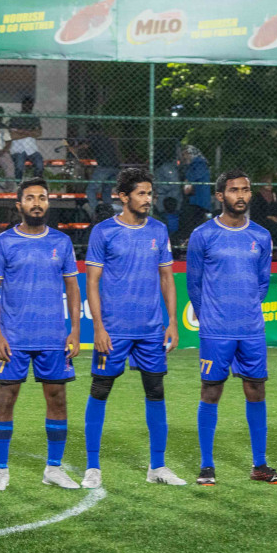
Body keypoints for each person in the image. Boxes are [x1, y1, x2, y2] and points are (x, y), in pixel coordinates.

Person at [80, 166, 180, 490]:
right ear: (123, 197)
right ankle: (92, 467)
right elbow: (91, 282)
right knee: (100, 390)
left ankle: (158, 466)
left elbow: (167, 277)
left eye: (150, 193)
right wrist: (98, 327)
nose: (148, 199)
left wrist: (172, 322)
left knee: (155, 391)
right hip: (114, 329)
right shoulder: (103, 232)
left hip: (151, 330)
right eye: (141, 193)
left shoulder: (159, 231)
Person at [0, 178, 84, 490]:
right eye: (30, 198)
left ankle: (53, 468)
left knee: (57, 398)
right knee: (6, 398)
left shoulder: (62, 242)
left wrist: (75, 331)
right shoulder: (3, 242)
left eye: (42, 197)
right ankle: (1, 470)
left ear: (48, 203)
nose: (36, 203)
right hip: (14, 338)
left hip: (53, 337)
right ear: (19, 205)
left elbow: (72, 286)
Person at [186, 171, 277, 485]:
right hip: (216, 329)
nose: (241, 195)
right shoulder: (203, 234)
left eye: (246, 190)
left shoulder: (262, 236)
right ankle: (207, 466)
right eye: (234, 190)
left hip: (251, 328)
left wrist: (246, 308)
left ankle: (260, 465)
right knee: (211, 390)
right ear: (220, 196)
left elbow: (263, 283)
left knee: (256, 389)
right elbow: (194, 285)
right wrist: (210, 317)